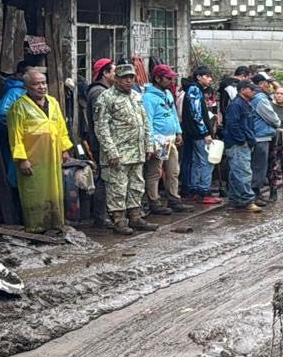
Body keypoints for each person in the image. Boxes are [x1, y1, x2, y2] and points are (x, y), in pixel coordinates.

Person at [7, 69, 75, 236]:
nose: (41, 87)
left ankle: (56, 224)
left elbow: (61, 128)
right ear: (27, 87)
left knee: (55, 190)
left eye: (43, 83)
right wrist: (22, 159)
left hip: (52, 156)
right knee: (34, 191)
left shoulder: (53, 103)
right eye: (36, 84)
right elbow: (15, 136)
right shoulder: (19, 107)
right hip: (33, 158)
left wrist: (64, 148)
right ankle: (36, 227)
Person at [94, 63, 159, 234]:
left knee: (136, 185)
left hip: (136, 152)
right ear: (116, 79)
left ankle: (135, 217)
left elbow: (144, 123)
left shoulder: (137, 96)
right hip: (118, 154)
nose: (129, 81)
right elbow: (101, 128)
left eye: (131, 77)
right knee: (117, 188)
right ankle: (119, 221)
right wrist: (111, 152)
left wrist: (148, 144)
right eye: (124, 78)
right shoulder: (106, 98)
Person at [142, 65, 194, 216]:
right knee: (155, 171)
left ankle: (174, 199)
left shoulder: (168, 94)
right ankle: (154, 201)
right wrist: (151, 142)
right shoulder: (148, 98)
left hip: (170, 138)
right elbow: (148, 122)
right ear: (158, 78)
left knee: (173, 170)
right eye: (168, 78)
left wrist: (178, 131)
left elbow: (173, 114)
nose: (171, 81)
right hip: (159, 139)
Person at [0, 60, 36, 190]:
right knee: (17, 176)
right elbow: (0, 113)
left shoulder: (29, 92)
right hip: (18, 143)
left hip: (33, 144)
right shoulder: (15, 92)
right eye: (29, 75)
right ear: (19, 75)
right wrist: (15, 130)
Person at [180, 66, 219, 204]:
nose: (210, 79)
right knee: (207, 161)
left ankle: (194, 189)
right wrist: (205, 133)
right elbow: (196, 114)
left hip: (192, 132)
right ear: (199, 77)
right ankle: (204, 191)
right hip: (199, 133)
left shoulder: (192, 89)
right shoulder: (195, 89)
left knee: (197, 161)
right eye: (207, 76)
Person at [85, 58, 116, 227]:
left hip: (108, 142)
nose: (116, 74)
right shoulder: (98, 93)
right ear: (105, 73)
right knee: (104, 179)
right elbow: (102, 123)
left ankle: (107, 213)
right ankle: (100, 216)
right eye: (113, 71)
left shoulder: (107, 91)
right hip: (103, 143)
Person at [222, 80, 261, 212]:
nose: (254, 91)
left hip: (241, 142)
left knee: (236, 172)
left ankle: (236, 199)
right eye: (251, 89)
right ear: (243, 90)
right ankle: (247, 200)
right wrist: (241, 140)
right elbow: (233, 124)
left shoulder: (243, 104)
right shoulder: (237, 105)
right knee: (242, 172)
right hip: (237, 144)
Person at [249, 74, 281, 205]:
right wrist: (278, 123)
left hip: (258, 134)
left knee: (258, 165)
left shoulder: (254, 97)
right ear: (261, 83)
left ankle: (256, 192)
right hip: (261, 136)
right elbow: (272, 117)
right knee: (259, 166)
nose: (270, 86)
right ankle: (254, 193)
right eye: (268, 83)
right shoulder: (260, 98)